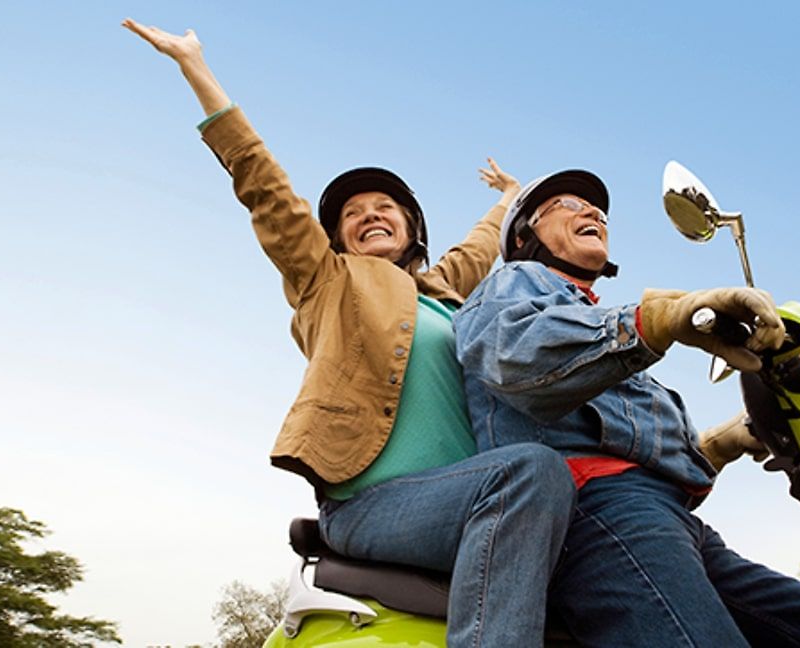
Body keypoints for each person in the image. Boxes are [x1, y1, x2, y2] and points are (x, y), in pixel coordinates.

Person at [124, 19, 577, 646]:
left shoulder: (446, 293)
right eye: (353, 215)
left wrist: (508, 196)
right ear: (336, 238)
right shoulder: (328, 281)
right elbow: (265, 189)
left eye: (385, 209)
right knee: (534, 469)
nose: (369, 216)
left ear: (412, 230)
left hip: (473, 502)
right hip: (374, 505)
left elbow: (478, 250)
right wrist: (196, 69)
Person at [453, 169, 800, 646]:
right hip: (597, 513)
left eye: (596, 209)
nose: (592, 211)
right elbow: (511, 356)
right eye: (567, 206)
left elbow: (634, 451)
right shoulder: (514, 282)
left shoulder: (602, 329)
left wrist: (725, 441)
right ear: (522, 235)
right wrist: (658, 320)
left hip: (674, 521)